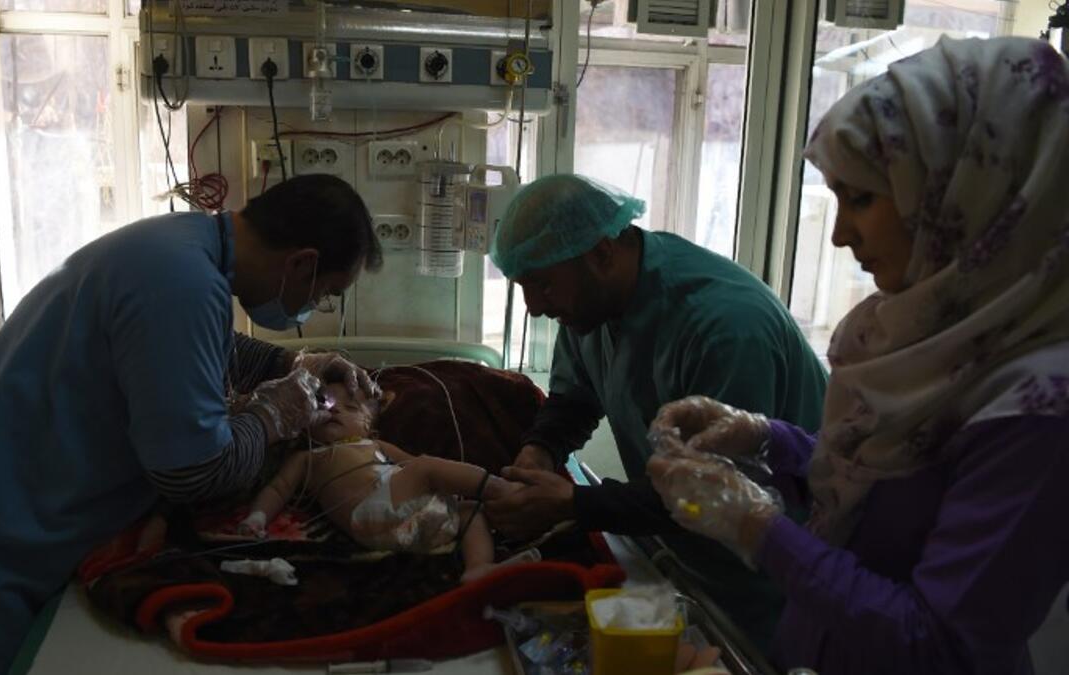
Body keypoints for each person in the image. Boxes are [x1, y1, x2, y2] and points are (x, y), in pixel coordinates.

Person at [647, 36, 1069, 675]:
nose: (841, 234)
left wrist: (757, 528)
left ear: (968, 192)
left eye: (863, 198)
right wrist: (770, 441)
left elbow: (937, 645)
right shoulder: (923, 333)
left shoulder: (1040, 407)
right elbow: (888, 490)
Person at [0, 174, 383, 674]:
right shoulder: (182, 283)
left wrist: (290, 365)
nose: (315, 309)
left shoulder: (179, 246)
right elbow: (193, 471)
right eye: (325, 294)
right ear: (302, 263)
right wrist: (273, 417)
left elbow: (199, 351)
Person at [483, 173, 829, 648]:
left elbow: (715, 488)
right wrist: (541, 449)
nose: (534, 308)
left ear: (602, 253)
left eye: (542, 286)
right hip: (688, 559)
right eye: (524, 287)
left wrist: (575, 504)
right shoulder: (589, 304)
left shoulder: (725, 327)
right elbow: (577, 397)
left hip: (778, 579)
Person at [238, 383, 522, 582]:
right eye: (325, 404)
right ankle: (504, 490)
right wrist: (257, 517)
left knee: (471, 511)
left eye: (349, 407)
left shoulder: (374, 444)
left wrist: (443, 488)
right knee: (426, 466)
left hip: (419, 520)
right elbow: (277, 488)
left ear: (368, 426)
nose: (335, 410)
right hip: (370, 511)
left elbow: (408, 465)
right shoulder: (307, 457)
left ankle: (479, 567)